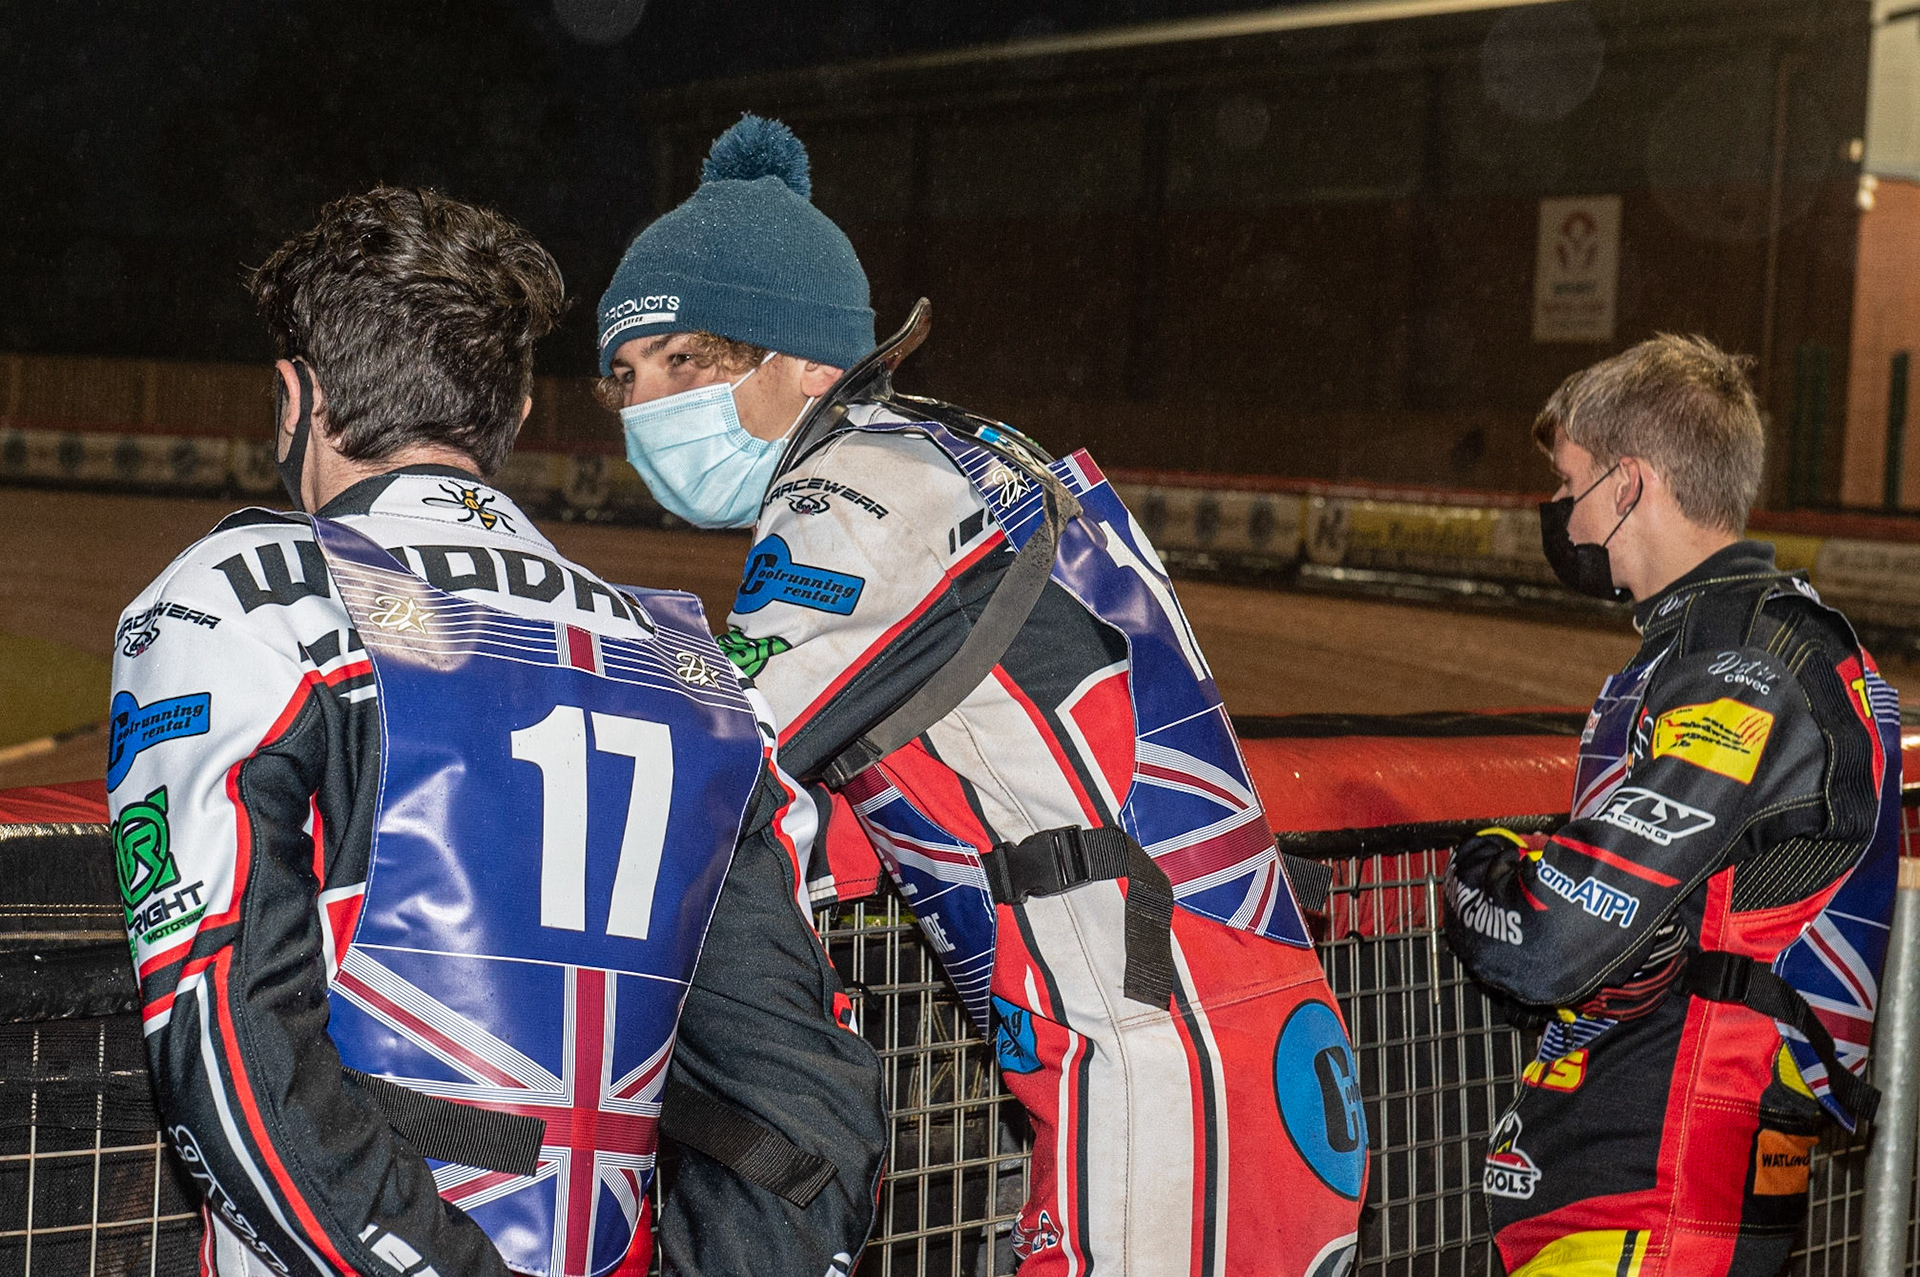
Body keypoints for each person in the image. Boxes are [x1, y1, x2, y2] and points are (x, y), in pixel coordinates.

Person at [596, 115, 1368, 1277]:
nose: (641, 402)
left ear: (805, 357)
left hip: (1155, 1054)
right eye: (622, 373)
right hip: (1217, 1018)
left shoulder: (858, 489)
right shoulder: (958, 451)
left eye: (683, 361)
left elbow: (718, 742)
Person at [109, 186, 885, 1277]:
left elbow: (226, 1037)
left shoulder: (254, 594)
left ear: (295, 399)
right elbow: (798, 1103)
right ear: (515, 412)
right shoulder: (695, 664)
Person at [1443, 335, 1902, 1277]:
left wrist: (1480, 864)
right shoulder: (1717, 646)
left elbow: (1552, 937)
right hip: (1644, 1175)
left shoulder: (1746, 665)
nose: (1559, 514)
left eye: (1569, 484)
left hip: (1663, 1190)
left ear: (1628, 485)